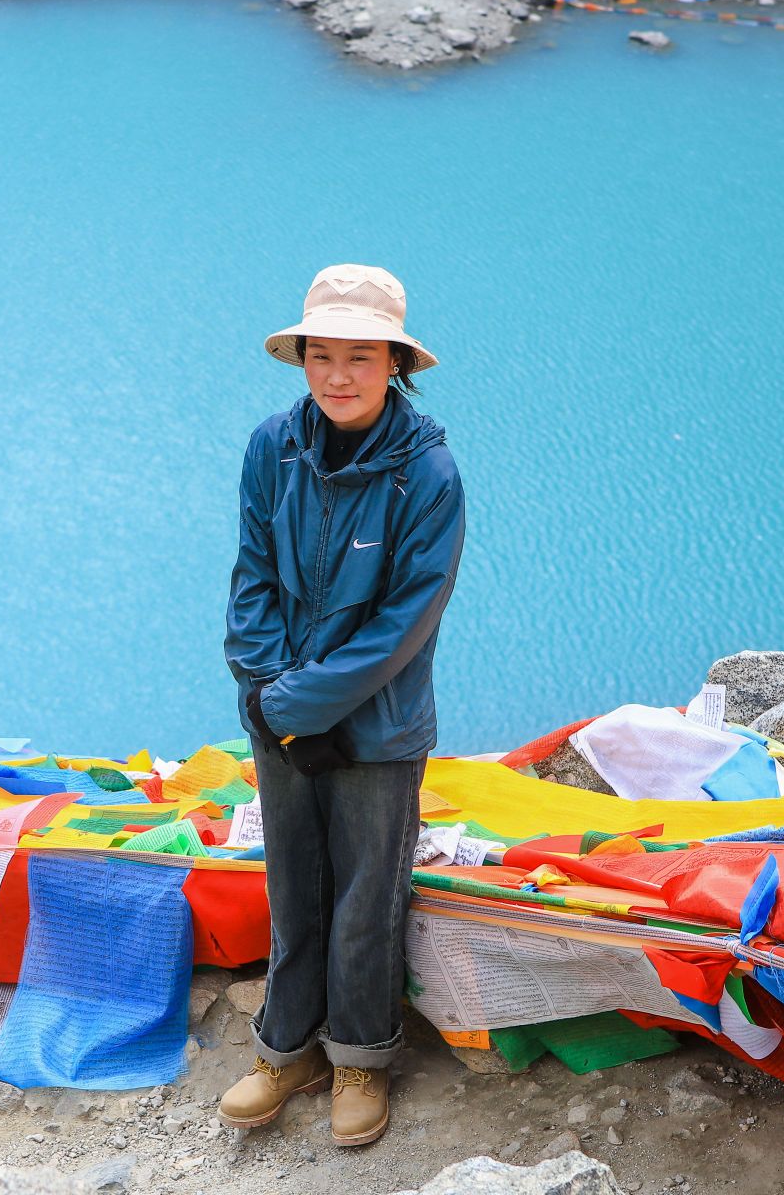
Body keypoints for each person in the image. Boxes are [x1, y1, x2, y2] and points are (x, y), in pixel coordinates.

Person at [218, 263, 467, 1147]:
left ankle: (360, 1053)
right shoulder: (270, 448)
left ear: (394, 363)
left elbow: (407, 619)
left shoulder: (425, 473)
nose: (336, 376)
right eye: (320, 355)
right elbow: (252, 579)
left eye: (358, 357)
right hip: (281, 712)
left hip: (378, 725)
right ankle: (286, 1048)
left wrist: (302, 705)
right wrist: (268, 692)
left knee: (366, 897)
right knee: (293, 883)